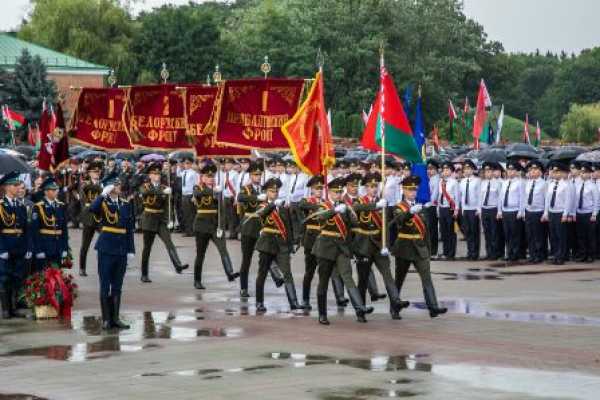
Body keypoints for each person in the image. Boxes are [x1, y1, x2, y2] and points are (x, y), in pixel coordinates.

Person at [312, 177, 374, 325]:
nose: (338, 195)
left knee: (348, 277)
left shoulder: (345, 206)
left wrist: (349, 211)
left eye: (340, 192)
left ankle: (360, 308)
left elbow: (354, 223)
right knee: (324, 281)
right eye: (335, 192)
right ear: (330, 192)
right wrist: (334, 210)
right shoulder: (323, 205)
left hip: (341, 246)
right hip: (325, 247)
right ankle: (322, 314)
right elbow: (320, 218)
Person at [352, 172, 409, 320]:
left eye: (376, 186)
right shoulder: (359, 201)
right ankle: (361, 310)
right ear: (365, 187)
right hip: (363, 245)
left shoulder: (382, 203)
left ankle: (396, 301)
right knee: (363, 280)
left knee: (388, 275)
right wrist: (375, 206)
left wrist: (387, 245)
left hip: (379, 244)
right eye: (371, 186)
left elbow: (386, 226)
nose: (374, 189)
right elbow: (357, 209)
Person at [391, 176, 447, 319]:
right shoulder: (398, 207)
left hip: (420, 248)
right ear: (403, 190)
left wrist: (428, 249)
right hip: (404, 247)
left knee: (427, 278)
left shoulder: (420, 207)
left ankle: (433, 307)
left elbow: (426, 231)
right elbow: (399, 221)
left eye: (415, 189)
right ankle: (394, 307)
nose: (413, 192)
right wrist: (410, 212)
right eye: (410, 190)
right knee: (399, 279)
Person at [89, 172, 135, 330]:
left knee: (117, 285)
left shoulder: (125, 204)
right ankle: (106, 319)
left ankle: (115, 318)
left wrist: (131, 250)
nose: (118, 186)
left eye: (118, 184)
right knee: (105, 284)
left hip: (121, 248)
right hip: (106, 248)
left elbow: (129, 228)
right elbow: (92, 210)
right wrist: (102, 194)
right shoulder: (102, 202)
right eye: (114, 184)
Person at [254, 178, 304, 312]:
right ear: (266, 192)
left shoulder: (282, 207)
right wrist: (272, 205)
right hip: (267, 242)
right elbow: (261, 215)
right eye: (271, 191)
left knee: (287, 273)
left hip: (281, 244)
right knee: (262, 273)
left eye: (276, 191)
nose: (274, 194)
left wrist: (291, 243)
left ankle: (294, 302)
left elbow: (288, 226)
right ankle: (259, 302)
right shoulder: (262, 205)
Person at [192, 163, 239, 289]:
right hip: (201, 225)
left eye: (212, 177)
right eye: (208, 177)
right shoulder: (198, 188)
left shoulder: (217, 190)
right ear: (202, 178)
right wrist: (214, 190)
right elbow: (198, 195)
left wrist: (221, 227)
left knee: (223, 249)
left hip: (215, 225)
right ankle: (197, 280)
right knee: (200, 254)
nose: (211, 179)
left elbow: (221, 210)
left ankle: (230, 273)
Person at [139, 162, 188, 283]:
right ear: (150, 175)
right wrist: (162, 192)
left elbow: (167, 206)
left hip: (161, 220)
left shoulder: (164, 187)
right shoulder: (146, 186)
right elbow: (145, 193)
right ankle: (144, 274)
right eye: (154, 174)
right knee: (147, 248)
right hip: (149, 219)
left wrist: (169, 220)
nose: (157, 176)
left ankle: (178, 265)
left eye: (159, 174)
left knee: (169, 242)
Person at [0, 172, 32, 319]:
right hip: (6, 245)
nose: (18, 188)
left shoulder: (20, 205)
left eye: (18, 185)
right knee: (5, 278)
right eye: (14, 185)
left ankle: (14, 308)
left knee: (17, 277)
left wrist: (28, 248)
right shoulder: (1, 206)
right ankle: (6, 309)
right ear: (6, 187)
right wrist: (2, 249)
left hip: (19, 246)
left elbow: (26, 229)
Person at [236, 162, 264, 297]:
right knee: (246, 259)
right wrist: (256, 197)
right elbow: (240, 198)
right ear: (250, 176)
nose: (258, 177)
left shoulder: (264, 189)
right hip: (248, 227)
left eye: (259, 175)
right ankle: (243, 288)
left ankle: (273, 279)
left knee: (265, 256)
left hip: (261, 227)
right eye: (255, 175)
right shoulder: (245, 189)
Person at [298, 175, 325, 310]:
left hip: (324, 239)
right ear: (311, 190)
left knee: (324, 272)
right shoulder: (307, 201)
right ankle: (305, 299)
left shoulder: (327, 202)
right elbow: (301, 205)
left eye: (321, 188)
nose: (319, 191)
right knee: (310, 271)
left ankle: (324, 299)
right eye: (316, 189)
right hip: (311, 239)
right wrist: (317, 206)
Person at [31, 177, 69, 270]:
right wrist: (38, 250)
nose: (56, 192)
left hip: (58, 245)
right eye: (53, 190)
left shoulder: (60, 205)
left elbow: (64, 229)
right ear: (46, 191)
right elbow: (35, 231)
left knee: (58, 275)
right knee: (44, 276)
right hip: (45, 246)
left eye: (56, 189)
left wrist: (65, 248)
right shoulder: (39, 207)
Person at [543, 161, 572, 265]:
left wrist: (565, 214)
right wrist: (546, 213)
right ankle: (555, 255)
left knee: (561, 235)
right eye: (554, 172)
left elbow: (568, 201)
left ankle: (561, 256)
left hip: (560, 213)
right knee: (553, 235)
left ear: (562, 173)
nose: (555, 174)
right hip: (552, 212)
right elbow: (547, 199)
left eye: (558, 172)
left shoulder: (566, 185)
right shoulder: (550, 184)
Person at [78, 161, 103, 277]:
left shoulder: (102, 184)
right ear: (89, 173)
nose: (97, 174)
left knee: (105, 239)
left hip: (100, 217)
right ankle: (82, 267)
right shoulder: (85, 184)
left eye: (98, 172)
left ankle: (102, 266)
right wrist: (101, 187)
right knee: (85, 245)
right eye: (94, 172)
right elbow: (84, 194)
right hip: (88, 216)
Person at [498, 160, 526, 263]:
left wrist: (520, 211)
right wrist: (499, 211)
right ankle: (509, 252)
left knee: (515, 234)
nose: (510, 172)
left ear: (518, 171)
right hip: (506, 211)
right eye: (508, 170)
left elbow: (522, 198)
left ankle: (516, 253)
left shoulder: (520, 183)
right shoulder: (505, 183)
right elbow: (501, 197)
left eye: (512, 170)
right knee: (507, 233)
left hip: (515, 211)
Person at [524, 160, 548, 264]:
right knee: (530, 234)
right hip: (529, 211)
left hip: (539, 211)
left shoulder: (544, 184)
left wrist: (545, 213)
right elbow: (525, 198)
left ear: (541, 172)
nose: (533, 171)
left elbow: (546, 199)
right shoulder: (528, 183)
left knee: (539, 235)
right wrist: (524, 211)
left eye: (535, 169)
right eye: (531, 170)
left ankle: (540, 255)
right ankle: (532, 254)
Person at [573, 162, 598, 262]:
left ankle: (591, 255)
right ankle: (583, 254)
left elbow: (596, 201)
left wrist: (594, 214)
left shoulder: (592, 186)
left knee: (590, 236)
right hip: (579, 213)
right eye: (582, 172)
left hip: (589, 213)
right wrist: (574, 213)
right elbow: (575, 200)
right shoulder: (578, 185)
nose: (582, 174)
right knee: (581, 235)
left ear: (589, 174)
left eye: (585, 172)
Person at [480, 162, 503, 260]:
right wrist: (479, 209)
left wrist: (499, 211)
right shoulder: (483, 183)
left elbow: (500, 198)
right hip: (485, 209)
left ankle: (495, 253)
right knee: (487, 232)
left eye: (489, 171)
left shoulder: (498, 183)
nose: (487, 173)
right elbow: (480, 197)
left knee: (494, 233)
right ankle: (489, 252)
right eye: (486, 171)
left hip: (494, 209)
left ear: (493, 172)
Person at [458, 159, 481, 260]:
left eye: (469, 169)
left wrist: (479, 209)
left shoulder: (477, 181)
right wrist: (462, 208)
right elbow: (462, 196)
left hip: (474, 209)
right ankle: (469, 252)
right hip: (466, 209)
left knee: (474, 231)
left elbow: (479, 196)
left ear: (472, 170)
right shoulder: (462, 181)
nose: (467, 171)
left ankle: (475, 253)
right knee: (468, 231)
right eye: (465, 169)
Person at [437, 162, 459, 260]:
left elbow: (457, 197)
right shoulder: (441, 182)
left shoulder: (454, 182)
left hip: (450, 209)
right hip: (442, 208)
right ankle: (445, 251)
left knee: (451, 232)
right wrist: (438, 208)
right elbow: (439, 196)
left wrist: (456, 210)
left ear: (451, 171)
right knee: (444, 231)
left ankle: (451, 253)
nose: (445, 172)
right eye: (444, 170)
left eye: (447, 170)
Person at [178, 156, 198, 237]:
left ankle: (192, 231)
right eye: (185, 163)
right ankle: (188, 230)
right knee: (185, 214)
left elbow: (195, 185)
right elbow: (178, 174)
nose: (186, 165)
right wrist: (179, 165)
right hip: (184, 195)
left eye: (187, 163)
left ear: (191, 164)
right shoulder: (183, 172)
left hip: (190, 195)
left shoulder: (193, 173)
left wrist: (194, 196)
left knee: (191, 214)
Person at [425, 160, 440, 258]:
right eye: (428, 169)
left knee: (432, 230)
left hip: (432, 206)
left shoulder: (437, 179)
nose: (429, 171)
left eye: (432, 169)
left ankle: (433, 251)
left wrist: (427, 203)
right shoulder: (428, 179)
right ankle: (428, 249)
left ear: (436, 169)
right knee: (427, 229)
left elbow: (434, 195)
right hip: (427, 206)